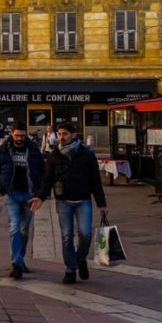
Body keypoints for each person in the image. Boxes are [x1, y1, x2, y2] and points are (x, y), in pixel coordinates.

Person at [36, 122, 108, 285]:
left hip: (83, 200)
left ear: (74, 135)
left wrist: (101, 204)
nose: (61, 137)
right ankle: (70, 269)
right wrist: (40, 197)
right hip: (63, 201)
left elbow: (95, 180)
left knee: (86, 234)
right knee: (67, 236)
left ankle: (80, 258)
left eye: (65, 134)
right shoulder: (55, 155)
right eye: (60, 134)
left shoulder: (86, 153)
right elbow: (48, 180)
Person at [0, 123, 45, 280]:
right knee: (14, 228)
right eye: (17, 135)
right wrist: (1, 187)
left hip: (29, 194)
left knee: (24, 231)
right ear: (12, 134)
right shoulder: (3, 148)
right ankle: (16, 264)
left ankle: (20, 260)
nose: (20, 138)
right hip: (12, 194)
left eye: (22, 135)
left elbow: (42, 169)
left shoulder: (33, 148)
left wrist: (40, 191)